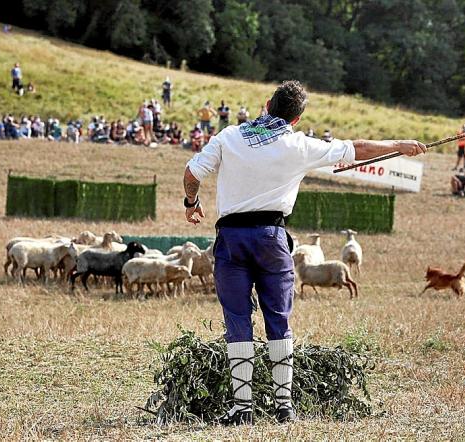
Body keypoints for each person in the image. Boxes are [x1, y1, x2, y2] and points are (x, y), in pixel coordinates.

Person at [182, 80, 426, 426]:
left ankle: (242, 409)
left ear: (267, 104)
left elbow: (192, 172)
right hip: (272, 238)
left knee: (237, 320)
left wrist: (191, 202)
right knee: (278, 320)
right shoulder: (299, 145)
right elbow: (356, 147)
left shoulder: (229, 137)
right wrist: (400, 145)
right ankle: (284, 407)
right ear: (296, 119)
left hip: (232, 238)